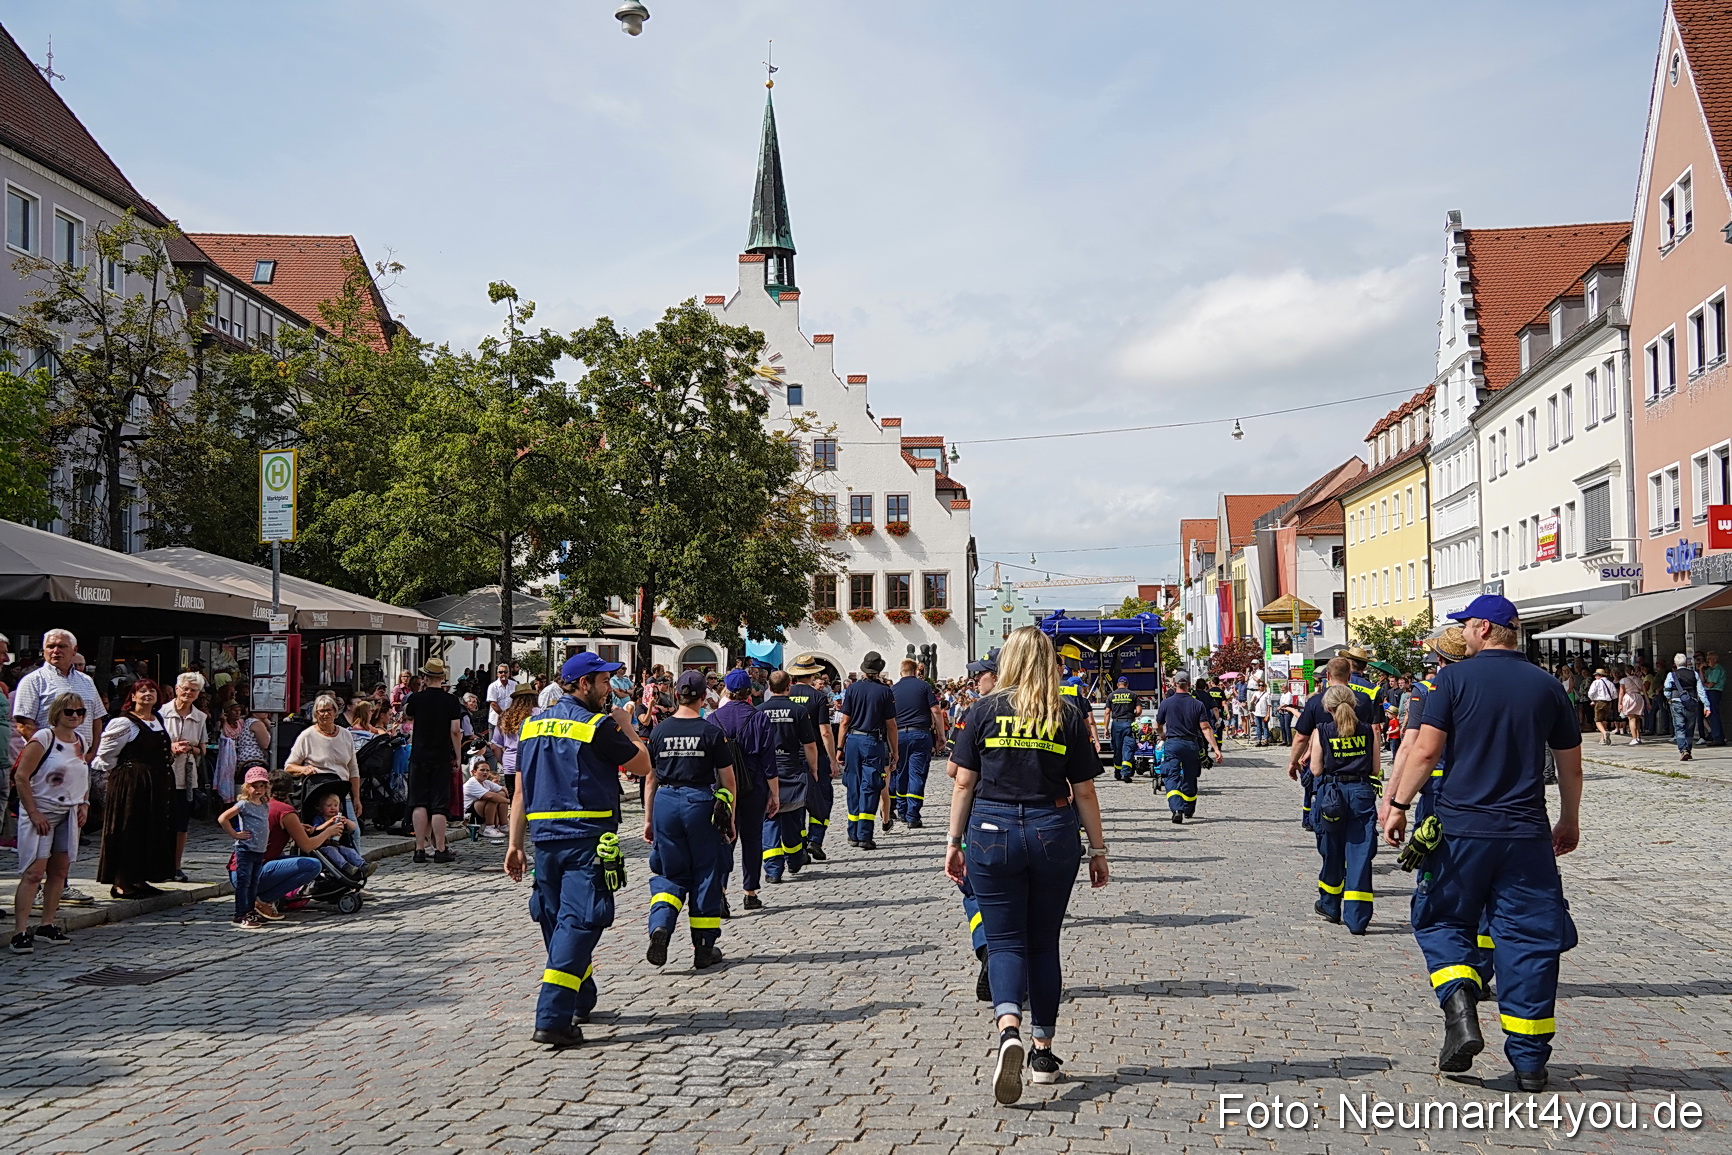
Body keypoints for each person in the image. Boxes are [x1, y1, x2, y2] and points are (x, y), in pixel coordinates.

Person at [1381, 594, 1583, 1093]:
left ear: (1483, 628)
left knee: (1442, 918)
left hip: (1461, 830)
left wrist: (1399, 804)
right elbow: (1570, 762)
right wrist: (1570, 818)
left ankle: (1460, 1006)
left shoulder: (1450, 680)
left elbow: (1426, 749)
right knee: (1531, 940)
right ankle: (1531, 1063)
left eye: (1466, 626)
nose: (1463, 634)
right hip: (1526, 834)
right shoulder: (1547, 685)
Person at [943, 626, 1109, 1104]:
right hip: (1052, 829)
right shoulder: (1066, 714)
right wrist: (1097, 850)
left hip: (991, 831)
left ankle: (1009, 1028)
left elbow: (962, 784)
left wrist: (953, 842)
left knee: (1004, 940)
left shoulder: (983, 710)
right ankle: (1042, 1051)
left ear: (1008, 661)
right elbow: (1085, 791)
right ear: (1048, 663)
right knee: (1043, 941)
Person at [506, 651, 652, 1049]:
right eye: (604, 682)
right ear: (583, 684)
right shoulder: (597, 725)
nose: (610, 690)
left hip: (544, 841)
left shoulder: (532, 726)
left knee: (555, 920)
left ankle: (580, 998)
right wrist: (628, 727)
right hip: (586, 838)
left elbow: (520, 789)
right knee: (581, 921)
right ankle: (552, 1017)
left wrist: (515, 843)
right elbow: (642, 765)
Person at [643, 670, 737, 970]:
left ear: (677, 695)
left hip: (666, 803)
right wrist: (730, 817)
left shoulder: (659, 732)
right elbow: (727, 781)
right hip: (699, 802)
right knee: (706, 873)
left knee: (670, 872)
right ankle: (704, 947)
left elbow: (650, 779)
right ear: (701, 697)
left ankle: (660, 926)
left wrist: (648, 819)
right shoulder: (710, 731)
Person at [10, 692, 90, 953]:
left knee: (59, 870)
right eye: (69, 711)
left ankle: (47, 923)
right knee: (34, 872)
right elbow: (22, 776)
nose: (75, 716)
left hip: (69, 810)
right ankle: (20, 930)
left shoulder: (81, 740)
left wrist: (84, 803)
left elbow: (81, 774)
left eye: (80, 712)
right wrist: (33, 812)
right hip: (43, 809)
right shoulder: (44, 738)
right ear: (57, 712)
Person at [91, 679, 177, 899]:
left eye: (151, 691)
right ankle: (121, 882)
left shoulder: (157, 719)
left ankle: (139, 878)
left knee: (148, 829)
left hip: (153, 784)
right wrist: (125, 775)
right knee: (128, 828)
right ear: (133, 697)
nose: (147, 694)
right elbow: (106, 755)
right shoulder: (124, 723)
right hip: (131, 784)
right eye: (142, 691)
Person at [1306, 685, 1381, 934]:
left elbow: (1316, 770)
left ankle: (1329, 904)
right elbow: (1374, 769)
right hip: (1361, 793)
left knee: (1331, 850)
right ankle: (1357, 918)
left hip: (1332, 795)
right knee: (1359, 855)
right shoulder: (1368, 730)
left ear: (1327, 708)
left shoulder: (1322, 731)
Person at [709, 668, 776, 912]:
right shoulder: (759, 718)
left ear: (725, 690)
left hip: (723, 790)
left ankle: (721, 892)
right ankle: (750, 892)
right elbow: (769, 761)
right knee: (752, 839)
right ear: (749, 692)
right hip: (754, 786)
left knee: (724, 840)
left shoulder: (713, 719)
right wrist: (775, 794)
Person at [757, 670, 817, 887]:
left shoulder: (759, 711)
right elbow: (809, 745)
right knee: (792, 816)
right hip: (791, 768)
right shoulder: (798, 711)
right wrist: (814, 769)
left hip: (766, 769)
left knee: (770, 818)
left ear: (769, 688)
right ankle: (793, 860)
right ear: (788, 686)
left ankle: (773, 869)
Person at [403, 660, 464, 864]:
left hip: (419, 755)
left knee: (419, 802)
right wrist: (457, 755)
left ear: (425, 677)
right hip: (440, 756)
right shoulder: (451, 701)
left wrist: (419, 692)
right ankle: (440, 849)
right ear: (443, 678)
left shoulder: (417, 698)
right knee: (439, 805)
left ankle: (419, 848)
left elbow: (407, 715)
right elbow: (455, 731)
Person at [838, 652, 898, 849]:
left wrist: (839, 747)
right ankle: (865, 835)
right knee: (870, 786)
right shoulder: (884, 692)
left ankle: (852, 833)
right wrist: (894, 751)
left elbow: (844, 721)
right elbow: (890, 725)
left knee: (853, 786)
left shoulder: (852, 689)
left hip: (853, 740)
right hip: (873, 742)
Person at [785, 656, 838, 859]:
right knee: (823, 798)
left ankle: (799, 842)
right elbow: (825, 731)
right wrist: (833, 759)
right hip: (816, 754)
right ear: (812, 674)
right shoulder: (818, 697)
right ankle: (815, 839)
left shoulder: (786, 695)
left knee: (796, 801)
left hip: (791, 757)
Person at [160, 672, 209, 883]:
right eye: (186, 689)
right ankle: (158, 864)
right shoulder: (161, 713)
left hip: (187, 776)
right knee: (161, 820)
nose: (189, 693)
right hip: (163, 774)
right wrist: (171, 747)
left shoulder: (200, 717)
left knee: (181, 824)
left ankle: (176, 866)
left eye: (194, 690)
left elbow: (203, 748)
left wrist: (191, 748)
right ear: (177, 689)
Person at [1154, 673, 1222, 824]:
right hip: (1192, 745)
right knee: (1190, 778)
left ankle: (1177, 809)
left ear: (1175, 683)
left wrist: (1162, 735)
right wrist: (1216, 748)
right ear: (1189, 684)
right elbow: (1205, 728)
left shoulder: (1166, 703)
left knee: (1171, 776)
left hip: (1173, 744)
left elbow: (1157, 726)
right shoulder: (1197, 704)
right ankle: (1189, 809)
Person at [285, 694, 364, 819]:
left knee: (353, 833)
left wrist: (357, 799)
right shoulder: (307, 736)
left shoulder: (346, 735)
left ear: (335, 712)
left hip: (341, 794)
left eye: (329, 710)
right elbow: (289, 766)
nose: (325, 714)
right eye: (321, 711)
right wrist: (303, 769)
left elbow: (353, 770)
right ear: (316, 714)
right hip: (317, 796)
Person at [889, 658, 943, 826]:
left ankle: (902, 811)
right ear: (915, 671)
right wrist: (941, 736)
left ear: (900, 672)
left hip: (898, 735)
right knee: (917, 775)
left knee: (900, 773)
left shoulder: (893, 689)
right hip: (920, 734)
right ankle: (913, 815)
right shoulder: (924, 686)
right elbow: (936, 710)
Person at [219, 768, 275, 930]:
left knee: (253, 883)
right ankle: (240, 913)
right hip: (246, 849)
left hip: (259, 849)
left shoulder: (264, 804)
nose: (258, 790)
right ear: (246, 787)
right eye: (254, 786)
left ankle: (250, 910)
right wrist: (235, 834)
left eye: (261, 786)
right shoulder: (244, 804)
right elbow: (223, 818)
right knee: (244, 882)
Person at [490, 684, 539, 798]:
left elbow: (495, 746)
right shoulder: (538, 713)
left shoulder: (505, 716)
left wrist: (503, 762)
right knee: (531, 799)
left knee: (514, 799)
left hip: (510, 764)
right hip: (532, 761)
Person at [307, 792, 368, 872]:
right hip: (323, 846)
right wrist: (329, 822)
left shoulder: (338, 819)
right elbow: (317, 829)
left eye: (335, 806)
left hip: (337, 844)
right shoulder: (319, 818)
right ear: (321, 808)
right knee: (332, 851)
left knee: (348, 851)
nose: (333, 808)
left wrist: (346, 821)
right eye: (329, 806)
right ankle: (346, 866)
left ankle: (362, 865)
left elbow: (353, 828)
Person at [1664, 652, 1707, 762]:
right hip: (1691, 703)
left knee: (1679, 727)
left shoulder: (1671, 675)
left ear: (1675, 663)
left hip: (1676, 702)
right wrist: (1707, 705)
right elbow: (1701, 691)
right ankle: (1688, 748)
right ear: (1687, 663)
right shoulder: (1694, 674)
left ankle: (1683, 750)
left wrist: (1669, 698)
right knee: (1689, 728)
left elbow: (1667, 691)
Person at [1106, 677, 1142, 780]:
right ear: (1127, 684)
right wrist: (1133, 716)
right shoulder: (1133, 695)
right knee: (1128, 748)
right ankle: (1126, 773)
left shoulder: (1111, 695)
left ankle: (1118, 772)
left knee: (1117, 749)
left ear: (1118, 684)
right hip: (1128, 724)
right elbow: (1139, 711)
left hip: (1116, 724)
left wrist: (1106, 728)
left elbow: (1107, 712)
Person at [463, 761, 511, 838]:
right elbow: (490, 796)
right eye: (482, 770)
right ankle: (489, 828)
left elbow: (503, 788)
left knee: (501, 794)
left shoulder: (486, 782)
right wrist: (509, 801)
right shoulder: (472, 782)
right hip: (469, 814)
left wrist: (506, 795)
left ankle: (503, 826)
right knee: (492, 798)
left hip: (479, 810)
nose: (485, 772)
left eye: (487, 770)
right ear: (474, 772)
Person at [1586, 667, 1617, 746]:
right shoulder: (1610, 683)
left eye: (1596, 675)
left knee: (1598, 720)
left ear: (1599, 675)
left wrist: (1593, 699)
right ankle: (1603, 738)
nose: (1595, 677)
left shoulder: (1596, 682)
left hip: (1599, 701)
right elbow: (1615, 694)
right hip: (1608, 702)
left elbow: (1590, 693)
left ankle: (1604, 732)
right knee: (1604, 720)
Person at [1617, 665, 1646, 745]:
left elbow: (1621, 692)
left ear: (1625, 672)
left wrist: (1619, 703)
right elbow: (1644, 691)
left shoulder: (1623, 680)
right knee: (1637, 718)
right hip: (1638, 697)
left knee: (1631, 718)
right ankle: (1638, 737)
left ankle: (1634, 738)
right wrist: (1648, 702)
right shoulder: (1639, 679)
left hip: (1629, 697)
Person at [1702, 652, 1725, 745]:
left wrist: (1703, 684)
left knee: (1713, 714)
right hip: (1709, 692)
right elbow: (1703, 680)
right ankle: (1717, 735)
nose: (1707, 661)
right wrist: (1700, 669)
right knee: (1711, 714)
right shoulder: (1710, 670)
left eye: (1709, 659)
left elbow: (1710, 684)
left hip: (1714, 692)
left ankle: (1718, 737)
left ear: (1715, 660)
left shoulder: (1717, 669)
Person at [485, 663, 515, 731]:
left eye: (505, 672)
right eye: (501, 672)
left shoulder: (515, 684)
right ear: (497, 674)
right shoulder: (492, 686)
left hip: (511, 720)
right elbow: (493, 704)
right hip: (496, 721)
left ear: (509, 673)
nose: (503, 674)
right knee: (494, 741)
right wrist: (504, 716)